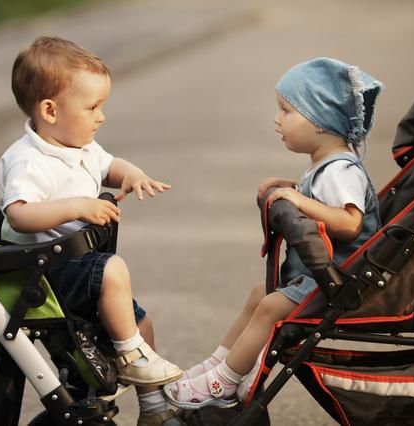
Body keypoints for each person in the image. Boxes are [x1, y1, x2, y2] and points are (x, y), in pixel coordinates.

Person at [164, 57, 383, 409]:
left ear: (321, 121)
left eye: (286, 110)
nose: (276, 119)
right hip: (319, 274)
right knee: (259, 294)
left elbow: (349, 223)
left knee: (269, 307)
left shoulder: (340, 169)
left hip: (341, 277)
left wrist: (298, 199)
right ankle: (219, 361)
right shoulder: (325, 165)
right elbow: (322, 200)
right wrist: (294, 186)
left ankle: (224, 382)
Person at [0, 36, 183, 426]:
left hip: (76, 263)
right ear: (50, 110)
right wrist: (76, 207)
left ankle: (152, 407)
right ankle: (132, 357)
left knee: (142, 324)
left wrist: (131, 174)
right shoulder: (28, 160)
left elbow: (108, 165)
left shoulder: (80, 145)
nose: (101, 117)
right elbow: (19, 215)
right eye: (93, 107)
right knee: (114, 269)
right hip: (42, 270)